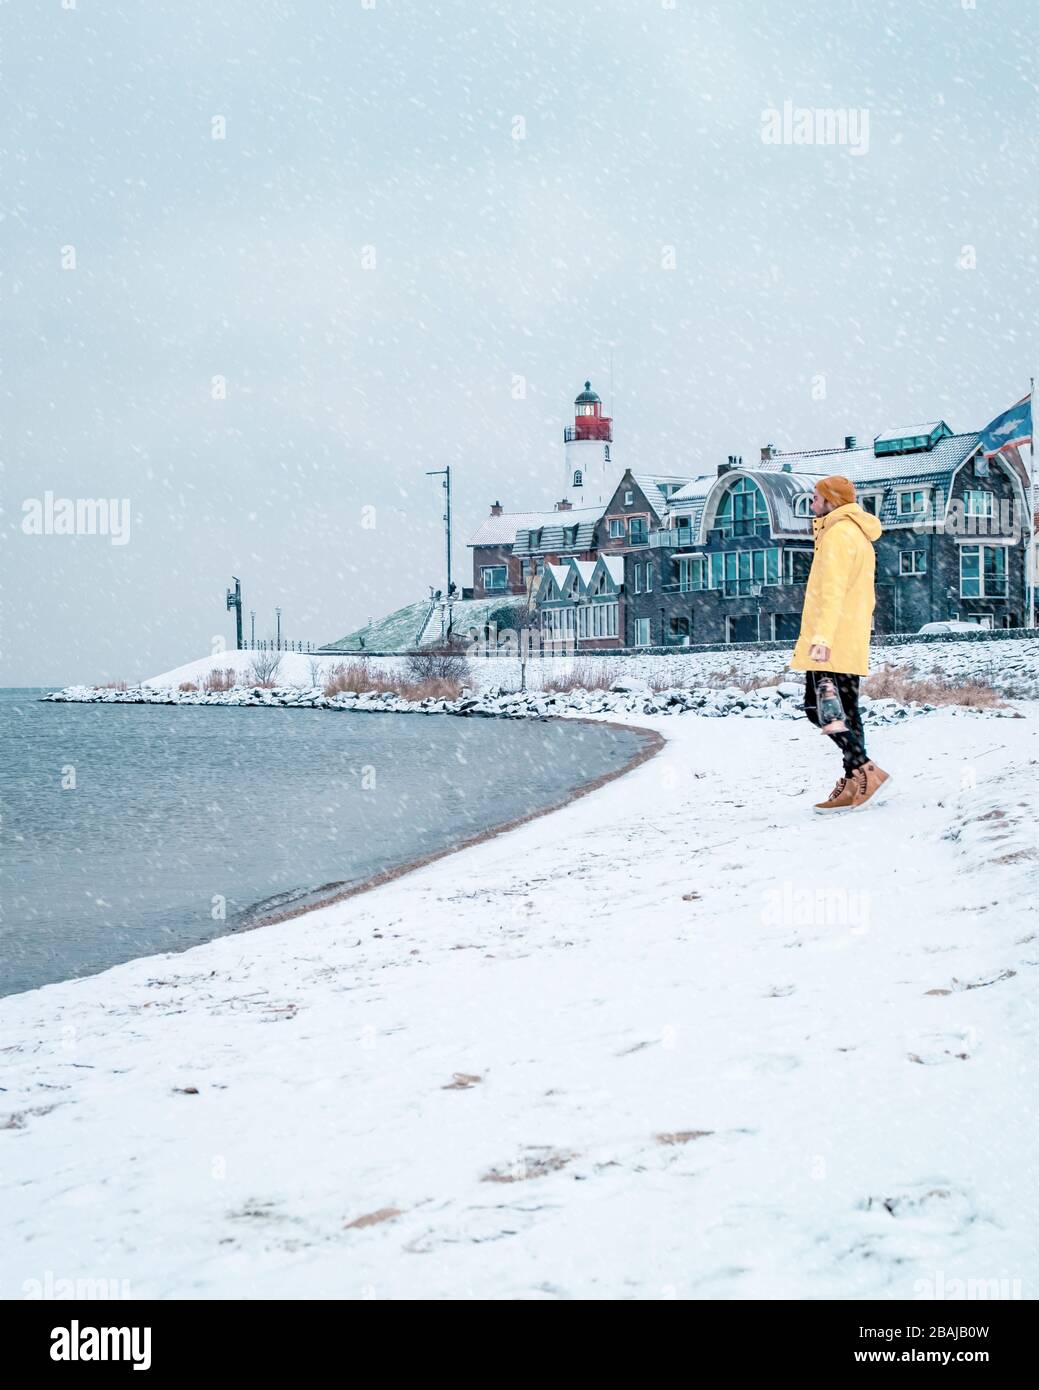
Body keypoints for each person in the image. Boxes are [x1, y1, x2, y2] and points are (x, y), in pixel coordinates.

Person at [789, 475, 892, 812]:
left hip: (829, 642)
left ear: (831, 501)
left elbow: (831, 593)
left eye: (816, 499)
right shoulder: (857, 535)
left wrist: (821, 640)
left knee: (820, 711)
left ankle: (865, 770)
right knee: (844, 712)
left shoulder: (837, 536)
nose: (813, 506)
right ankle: (853, 781)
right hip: (847, 638)